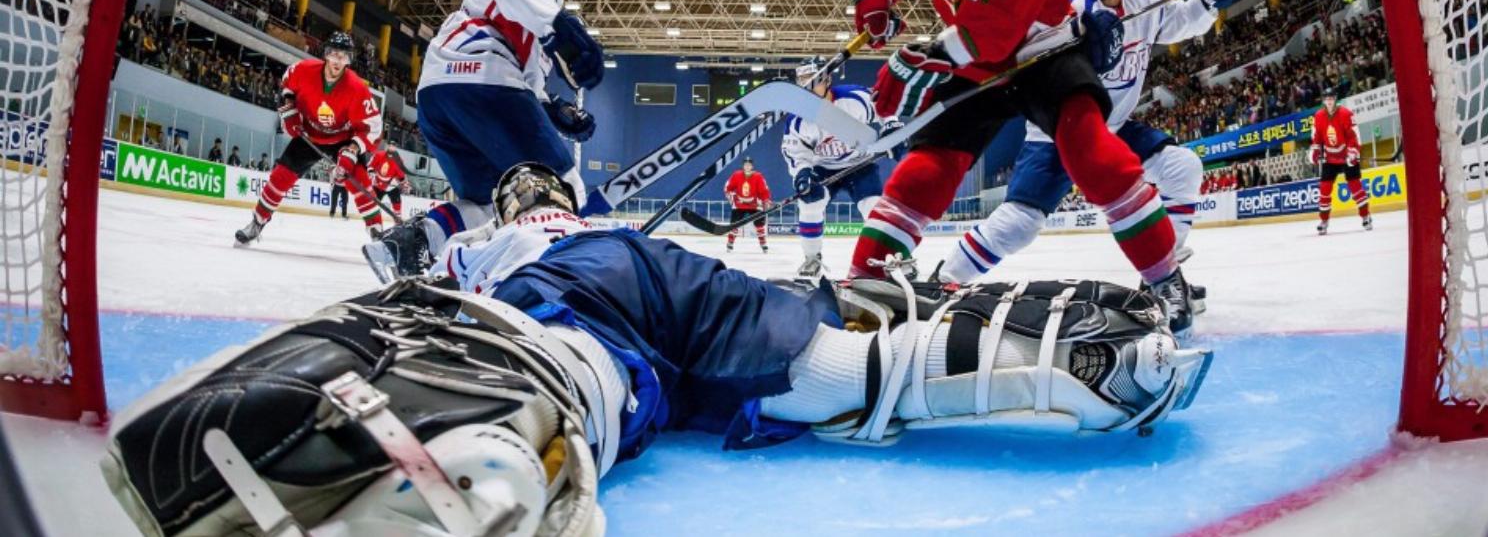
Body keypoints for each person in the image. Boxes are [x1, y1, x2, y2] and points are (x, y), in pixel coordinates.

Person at [103, 161, 1211, 536]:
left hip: (582, 308)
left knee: (599, 366)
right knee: (826, 375)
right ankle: (1075, 358)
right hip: (640, 302)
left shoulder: (495, 234)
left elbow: (408, 253)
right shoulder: (544, 224)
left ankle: (492, 420)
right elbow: (411, 240)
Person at [845, 0, 1184, 320]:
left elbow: (1000, 11)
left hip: (1041, 48)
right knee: (926, 167)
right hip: (971, 54)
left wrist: (935, 56)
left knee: (1091, 152)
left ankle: (1167, 280)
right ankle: (864, 283)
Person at [934, 0, 1240, 333]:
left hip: (1113, 126)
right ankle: (942, 282)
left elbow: (1180, 22)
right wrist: (1076, 37)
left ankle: (1163, 280)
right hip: (1060, 128)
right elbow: (1029, 60)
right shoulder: (1070, 9)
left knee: (1182, 168)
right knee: (1018, 224)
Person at [369, 0, 602, 275]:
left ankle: (410, 243)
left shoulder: (516, 13)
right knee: (562, 187)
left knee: (484, 201)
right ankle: (567, 274)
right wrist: (563, 29)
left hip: (436, 94)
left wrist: (554, 109)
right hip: (484, 79)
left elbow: (527, 82)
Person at [233, 31, 385, 245]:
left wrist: (352, 150)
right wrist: (289, 108)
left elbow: (373, 127)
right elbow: (287, 85)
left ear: (349, 60)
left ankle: (378, 234)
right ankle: (257, 223)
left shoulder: (358, 89)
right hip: (309, 136)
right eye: (334, 54)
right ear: (326, 54)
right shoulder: (303, 70)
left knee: (361, 183)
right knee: (279, 178)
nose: (337, 60)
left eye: (343, 56)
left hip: (343, 139)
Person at [781, 57, 882, 277]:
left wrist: (892, 125)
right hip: (823, 168)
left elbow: (884, 106)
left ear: (827, 79)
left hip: (860, 164)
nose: (806, 86)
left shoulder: (854, 98)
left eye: (812, 80)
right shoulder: (797, 119)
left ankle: (887, 258)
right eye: (802, 81)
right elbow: (795, 152)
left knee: (875, 208)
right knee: (809, 204)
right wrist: (802, 175)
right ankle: (811, 259)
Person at [1310, 85, 1372, 234]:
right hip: (1330, 158)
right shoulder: (1318, 117)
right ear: (1323, 101)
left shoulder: (1346, 114)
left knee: (1355, 187)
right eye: (1326, 99)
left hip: (1346, 156)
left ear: (1335, 99)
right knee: (1324, 190)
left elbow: (1354, 136)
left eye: (1331, 98)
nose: (1329, 101)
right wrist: (1315, 150)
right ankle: (1324, 221)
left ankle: (1365, 216)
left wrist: (1353, 152)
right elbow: (1316, 138)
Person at [723, 156, 771, 252]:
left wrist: (766, 201)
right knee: (734, 224)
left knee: (759, 225)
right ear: (743, 166)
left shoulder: (758, 176)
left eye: (749, 165)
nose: (747, 166)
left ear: (752, 166)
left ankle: (763, 243)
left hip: (755, 204)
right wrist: (732, 196)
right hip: (739, 204)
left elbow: (764, 190)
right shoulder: (736, 175)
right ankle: (730, 243)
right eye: (746, 165)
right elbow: (727, 188)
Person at [368, 138, 408, 217]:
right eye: (390, 145)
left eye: (393, 146)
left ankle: (398, 219)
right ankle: (373, 219)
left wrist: (403, 181)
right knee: (373, 205)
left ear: (396, 147)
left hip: (391, 185)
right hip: (378, 184)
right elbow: (371, 165)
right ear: (387, 146)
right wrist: (371, 172)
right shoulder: (379, 154)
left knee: (397, 203)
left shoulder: (399, 160)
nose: (391, 147)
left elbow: (400, 174)